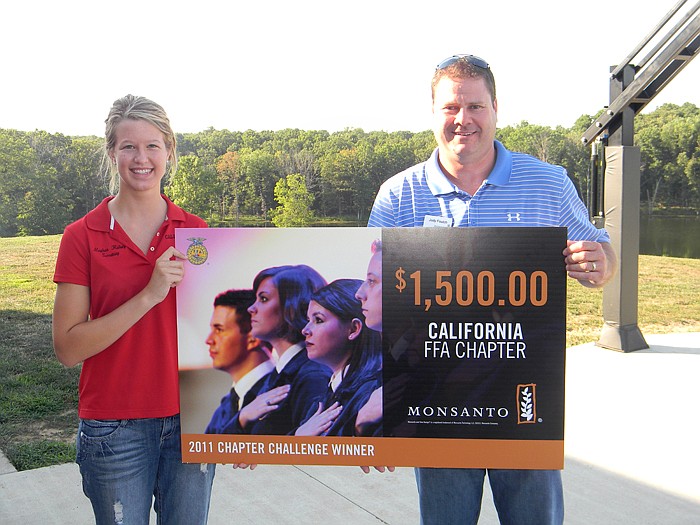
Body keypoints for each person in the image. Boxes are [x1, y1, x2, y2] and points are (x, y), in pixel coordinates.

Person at [366, 55, 617, 524]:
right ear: (433, 113)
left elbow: (601, 255)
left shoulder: (547, 182)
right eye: (450, 108)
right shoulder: (398, 196)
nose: (463, 120)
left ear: (496, 108)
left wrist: (599, 265)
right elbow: (376, 308)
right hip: (434, 405)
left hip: (525, 400)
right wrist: (377, 423)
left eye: (476, 106)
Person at [51, 95, 215, 523]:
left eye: (152, 146)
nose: (141, 158)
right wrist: (148, 294)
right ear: (112, 153)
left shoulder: (197, 233)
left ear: (169, 152)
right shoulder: (81, 236)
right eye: (128, 146)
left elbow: (217, 335)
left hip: (190, 422)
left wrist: (240, 428)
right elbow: (68, 348)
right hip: (113, 427)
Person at [227, 264, 331, 435]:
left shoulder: (313, 377)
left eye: (264, 299)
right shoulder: (275, 377)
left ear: (293, 306)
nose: (251, 309)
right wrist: (242, 418)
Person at [295, 278, 382, 437]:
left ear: (353, 329)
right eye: (309, 320)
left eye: (318, 320)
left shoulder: (371, 392)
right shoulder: (327, 394)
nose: (305, 330)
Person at [204, 289, 275, 434]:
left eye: (219, 330)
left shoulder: (282, 393)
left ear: (253, 338)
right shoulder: (224, 408)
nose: (209, 340)